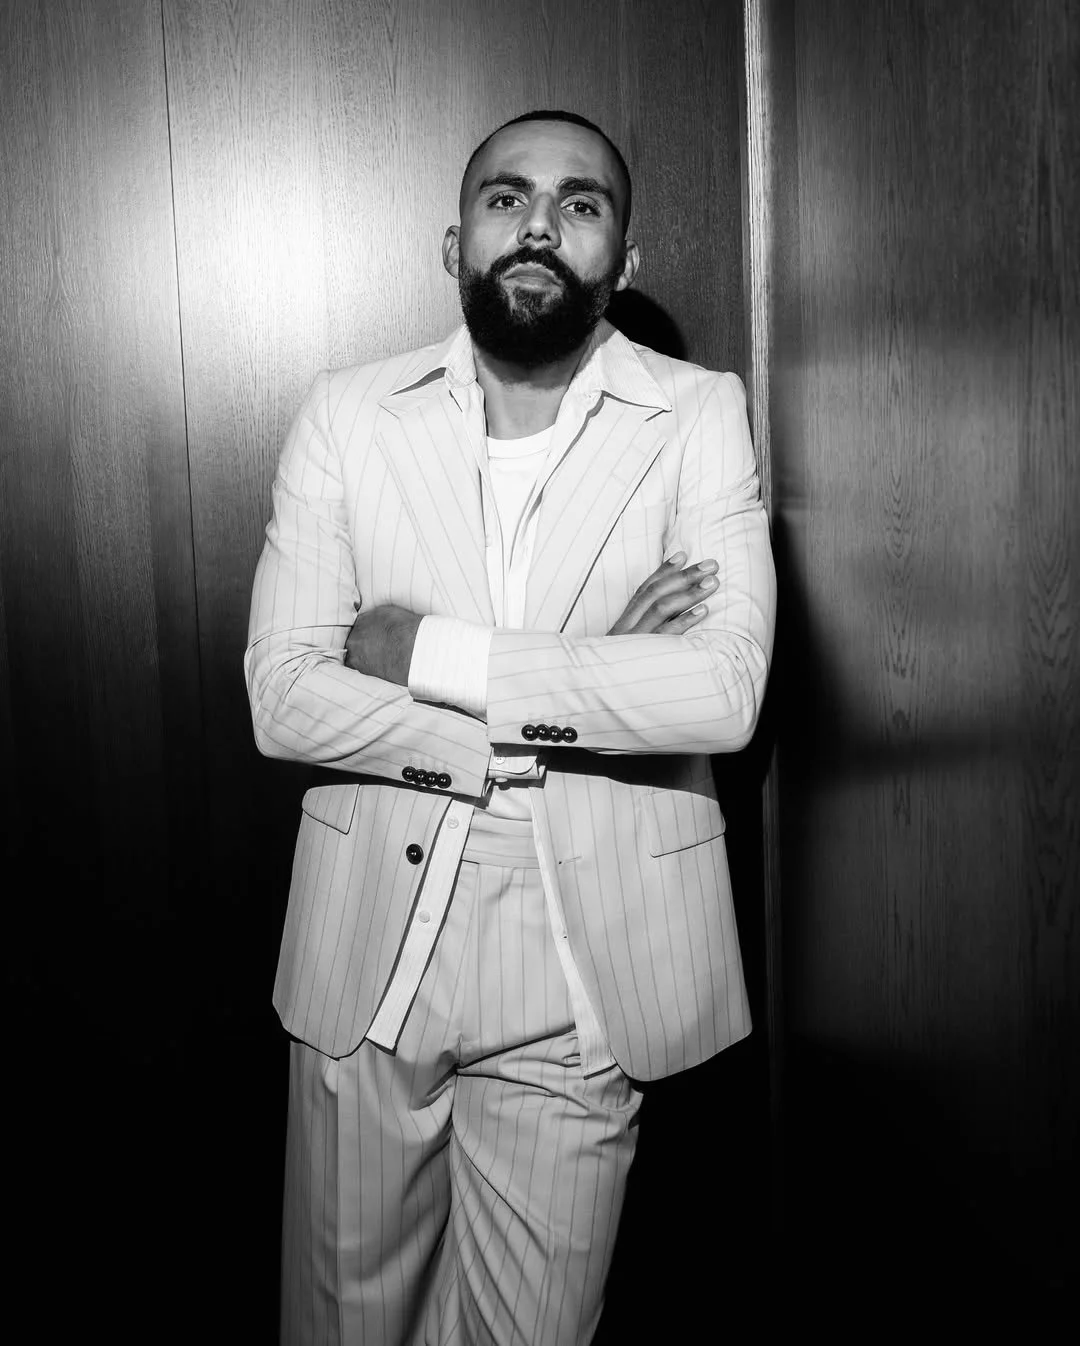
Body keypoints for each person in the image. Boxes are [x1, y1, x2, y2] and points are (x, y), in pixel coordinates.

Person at [245, 108, 776, 1346]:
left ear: (622, 259)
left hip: (587, 966)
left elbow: (722, 693)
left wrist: (430, 655)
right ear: (455, 241)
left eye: (579, 204)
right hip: (372, 945)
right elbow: (283, 694)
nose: (539, 224)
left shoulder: (696, 411)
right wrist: (590, 681)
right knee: (343, 1325)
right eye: (506, 198)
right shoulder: (347, 412)